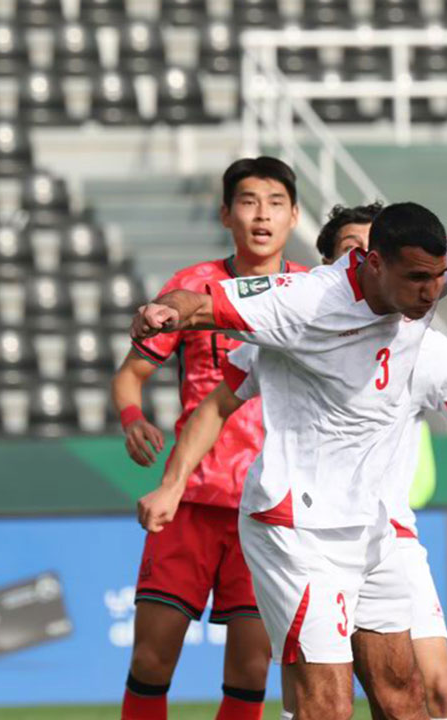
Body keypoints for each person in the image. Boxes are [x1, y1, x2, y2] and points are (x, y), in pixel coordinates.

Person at [131, 202, 447, 720]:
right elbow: (200, 307)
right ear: (374, 263)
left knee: (403, 696)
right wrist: (164, 312)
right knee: (326, 705)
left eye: (438, 278)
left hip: (372, 526)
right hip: (297, 528)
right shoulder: (305, 302)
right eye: (418, 278)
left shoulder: (428, 280)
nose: (431, 291)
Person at [111, 156, 307, 720]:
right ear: (226, 214)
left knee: (250, 672)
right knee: (151, 659)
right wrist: (132, 418)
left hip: (270, 504)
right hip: (192, 500)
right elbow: (130, 374)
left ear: (294, 215)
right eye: (248, 202)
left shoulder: (311, 292)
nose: (261, 215)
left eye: (274, 203)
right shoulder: (191, 287)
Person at [316, 202, 447, 720]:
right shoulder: (310, 329)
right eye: (350, 251)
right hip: (313, 533)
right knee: (322, 701)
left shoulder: (421, 342)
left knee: (431, 690)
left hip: (391, 532)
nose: (362, 258)